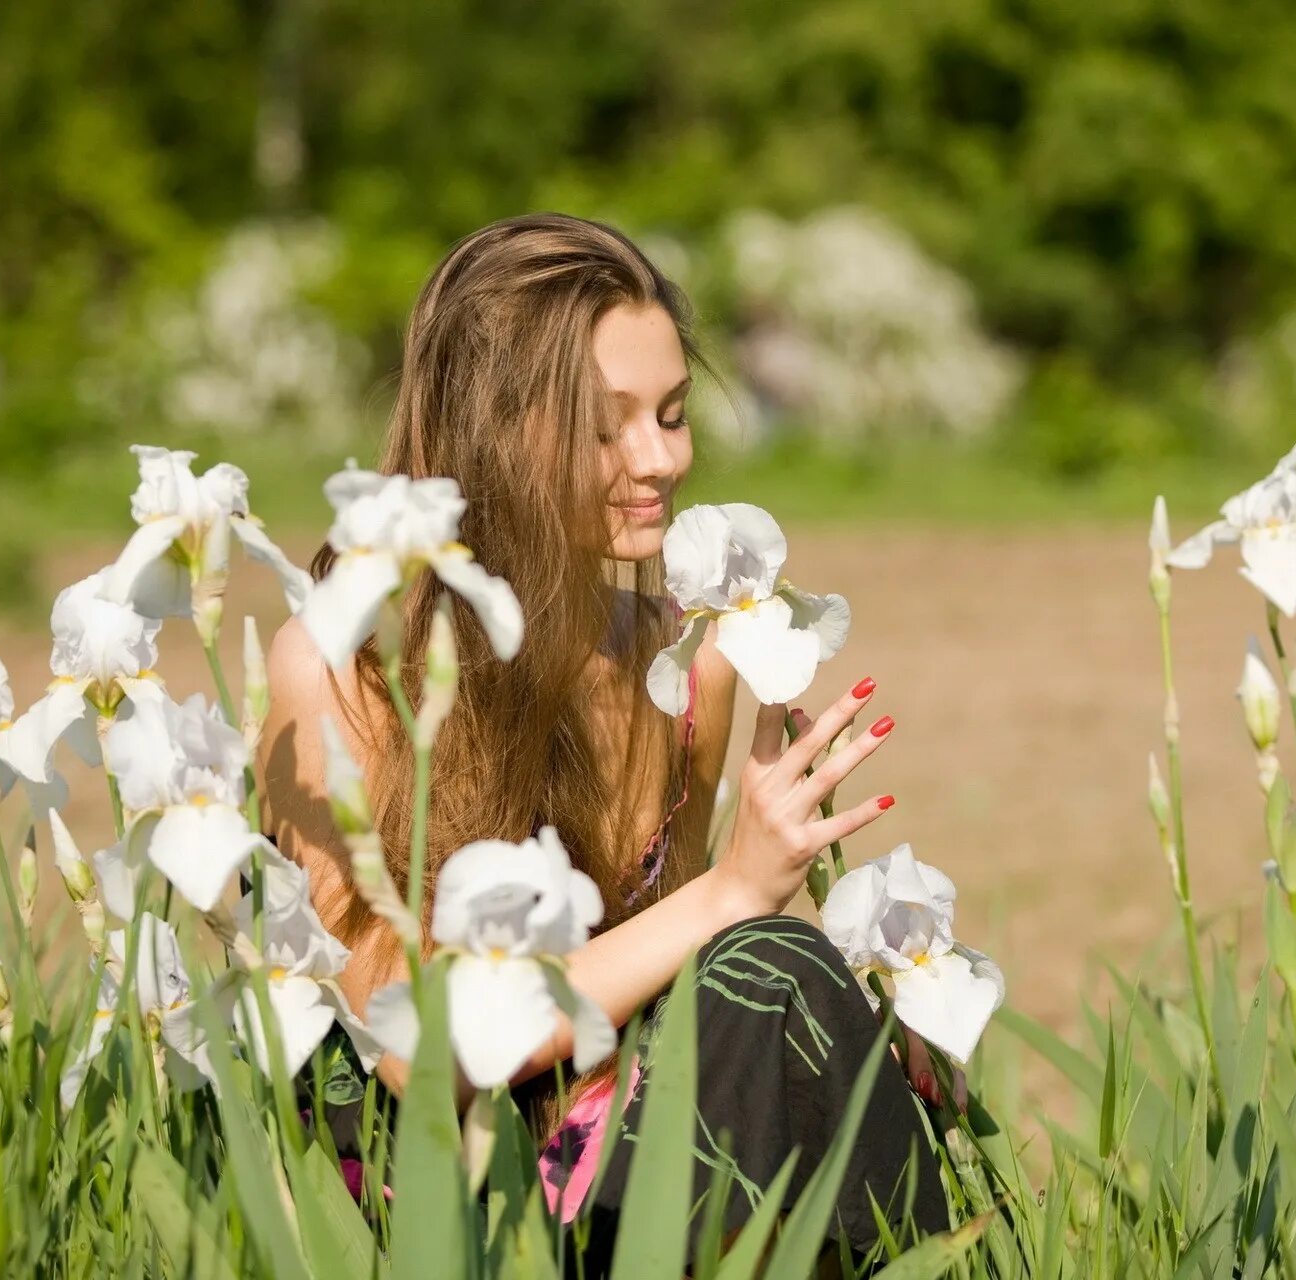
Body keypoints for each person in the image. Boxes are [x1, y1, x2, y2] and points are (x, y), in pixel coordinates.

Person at [258, 212, 951, 1258]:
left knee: (789, 977)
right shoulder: (342, 666)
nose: (660, 457)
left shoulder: (679, 662)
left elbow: (682, 998)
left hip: (625, 1153)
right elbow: (415, 1047)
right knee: (769, 954)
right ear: (488, 428)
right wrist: (736, 890)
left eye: (672, 414)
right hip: (442, 1198)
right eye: (606, 424)